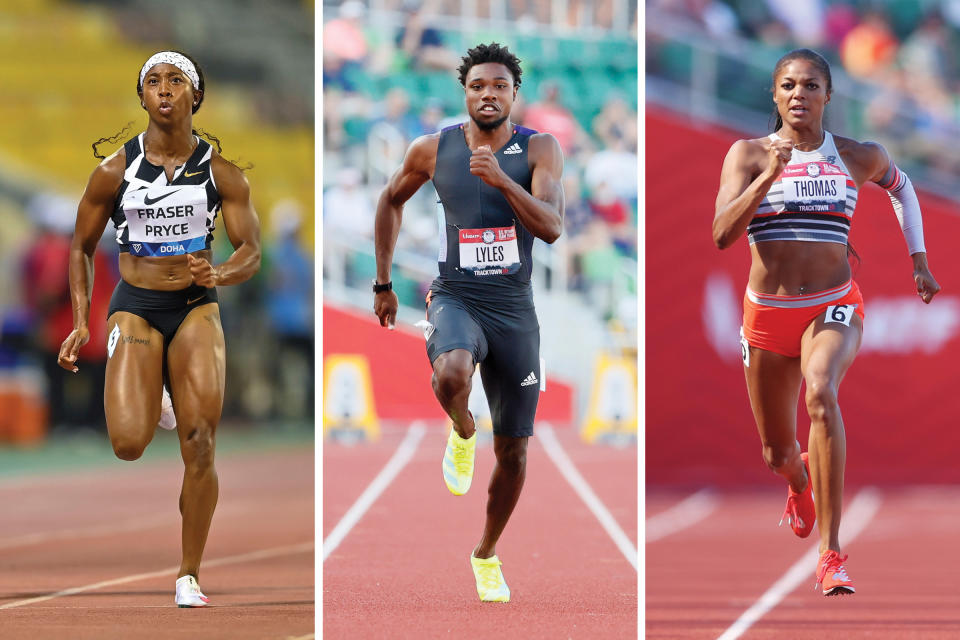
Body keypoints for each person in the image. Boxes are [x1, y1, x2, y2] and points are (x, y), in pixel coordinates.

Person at [713, 48, 939, 596]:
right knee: (777, 453)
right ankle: (797, 483)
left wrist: (919, 260)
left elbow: (902, 188)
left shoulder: (857, 156)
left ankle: (832, 555)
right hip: (767, 317)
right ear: (774, 95)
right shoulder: (746, 154)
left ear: (828, 96)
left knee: (820, 392)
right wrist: (768, 175)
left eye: (811, 85)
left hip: (832, 306)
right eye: (788, 85)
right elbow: (721, 234)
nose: (799, 94)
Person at [57, 51, 261, 607]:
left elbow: (251, 250)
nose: (164, 89)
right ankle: (161, 394)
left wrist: (217, 271)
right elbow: (79, 246)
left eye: (176, 80)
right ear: (142, 97)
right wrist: (81, 322)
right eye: (153, 81)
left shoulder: (222, 174)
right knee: (127, 443)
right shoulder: (114, 171)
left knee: (200, 443)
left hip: (196, 306)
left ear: (196, 97)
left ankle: (188, 573)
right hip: (137, 306)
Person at [373, 42, 564, 603]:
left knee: (515, 454)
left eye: (499, 86)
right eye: (478, 85)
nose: (488, 94)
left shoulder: (540, 149)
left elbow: (552, 228)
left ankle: (485, 553)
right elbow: (389, 200)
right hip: (455, 293)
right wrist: (383, 283)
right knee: (452, 374)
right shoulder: (433, 148)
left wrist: (504, 182)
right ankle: (461, 429)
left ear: (513, 94)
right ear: (465, 91)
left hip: (514, 308)